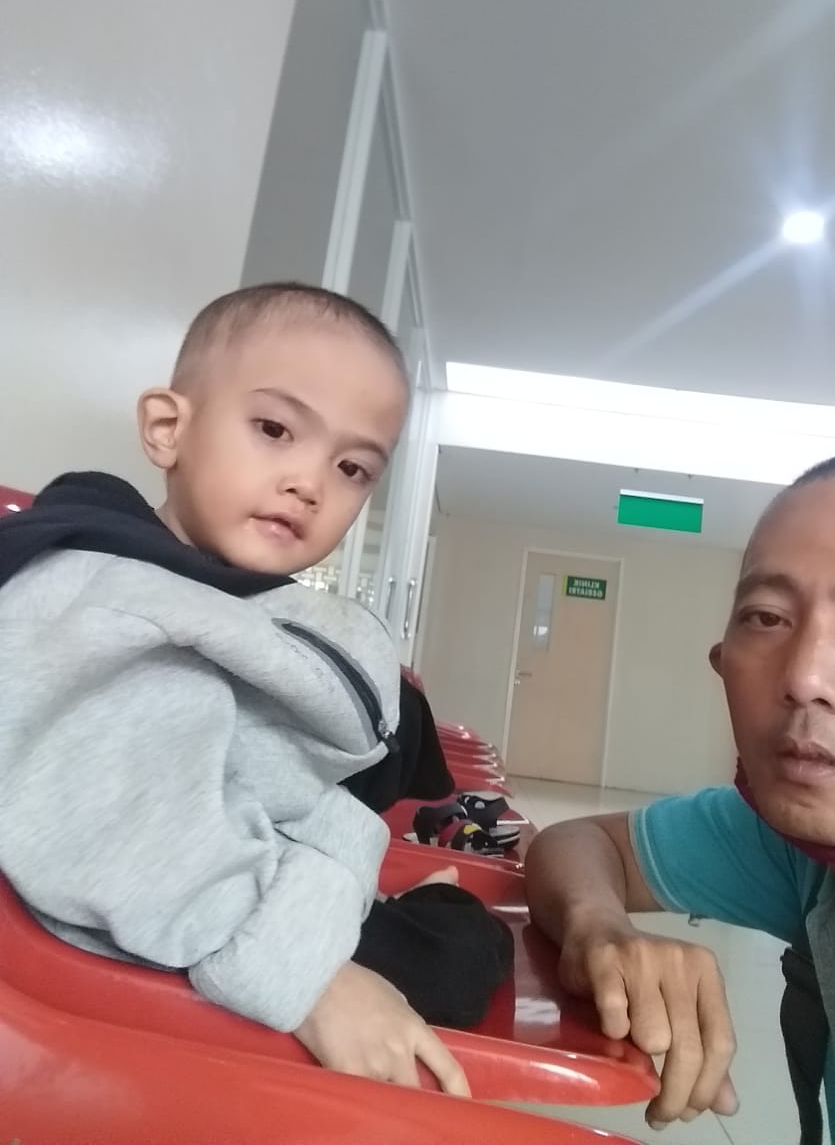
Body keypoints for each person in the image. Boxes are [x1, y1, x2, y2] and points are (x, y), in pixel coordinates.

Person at [0, 282, 497, 1095]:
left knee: (465, 946)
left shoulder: (205, 593)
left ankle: (406, 902)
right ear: (168, 428)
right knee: (459, 962)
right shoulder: (105, 591)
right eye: (274, 430)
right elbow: (112, 816)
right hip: (175, 932)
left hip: (243, 879)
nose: (310, 482)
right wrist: (310, 978)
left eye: (352, 468)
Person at [526, 447, 835, 1144]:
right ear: (720, 662)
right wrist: (597, 926)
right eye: (766, 617)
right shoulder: (797, 851)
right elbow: (580, 843)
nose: (804, 677)